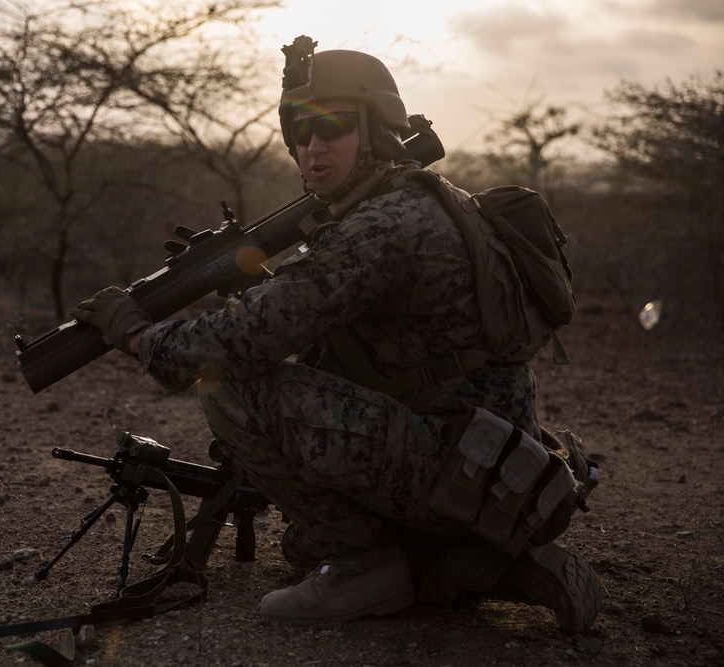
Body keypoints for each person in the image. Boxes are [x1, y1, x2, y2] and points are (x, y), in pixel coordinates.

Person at [70, 36, 601, 634]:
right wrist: (259, 292)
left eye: (333, 127)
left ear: (374, 131)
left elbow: (232, 346)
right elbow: (341, 327)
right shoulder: (428, 202)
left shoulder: (382, 224)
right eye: (300, 132)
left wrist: (139, 335)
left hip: (451, 466)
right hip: (492, 469)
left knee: (230, 389)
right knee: (302, 519)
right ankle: (473, 561)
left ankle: (362, 563)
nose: (314, 147)